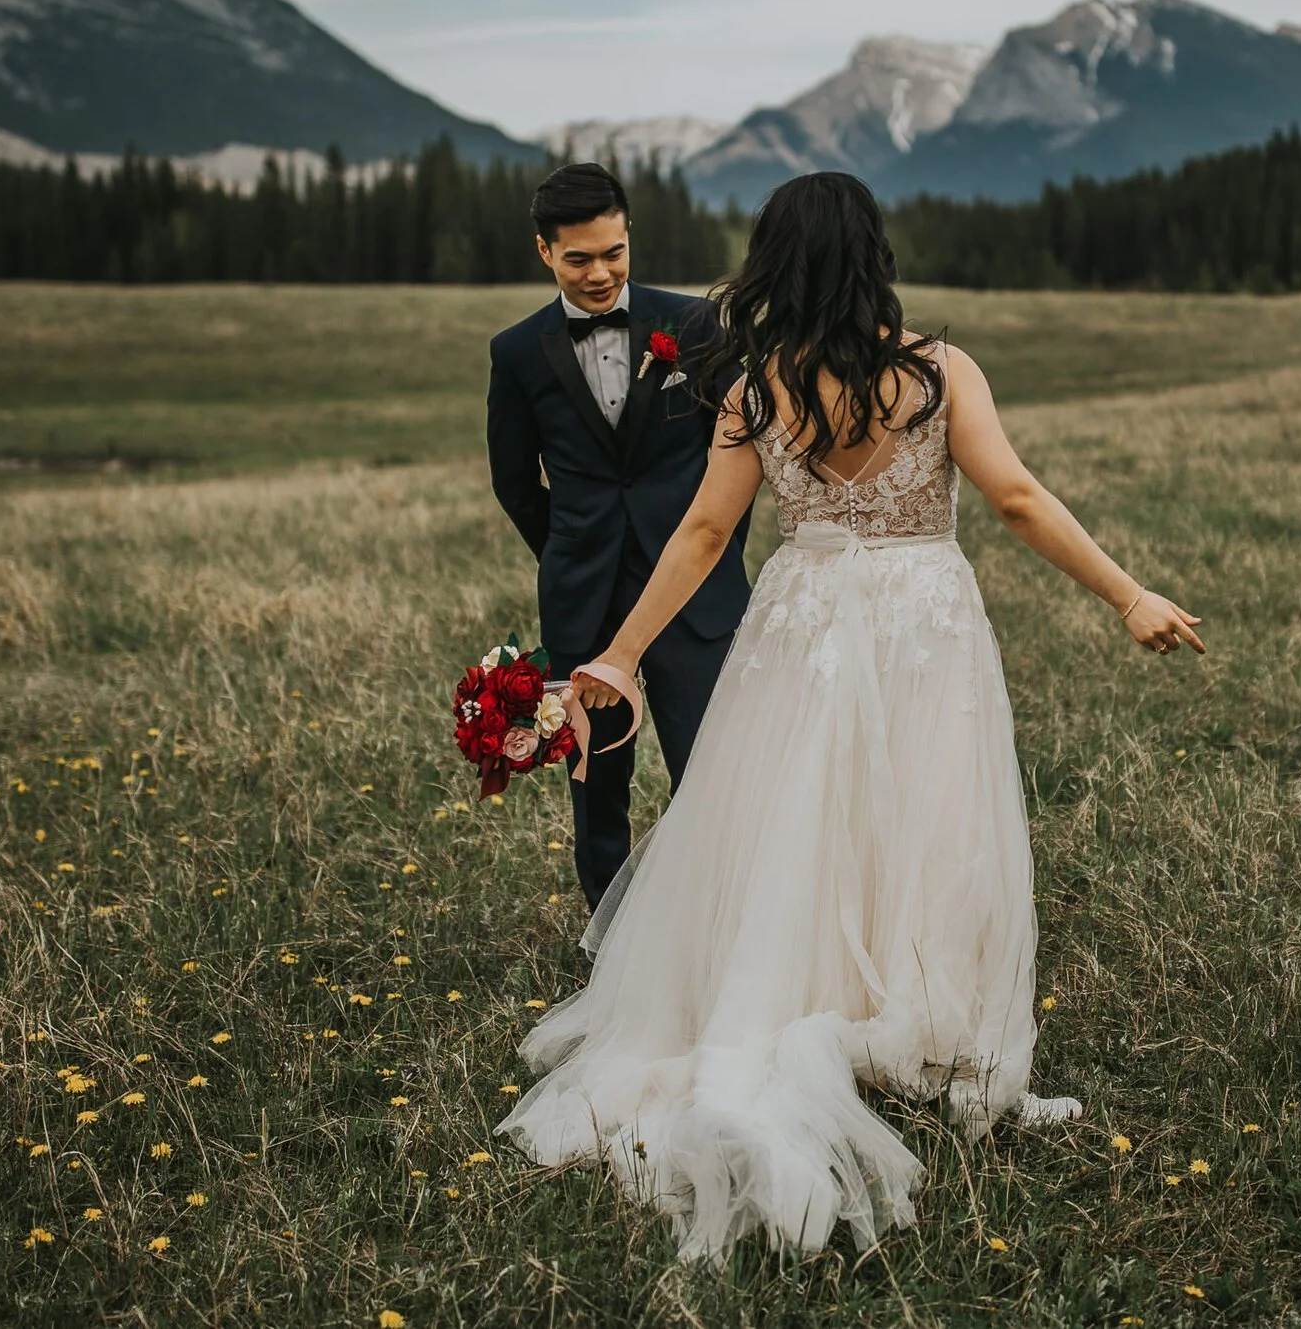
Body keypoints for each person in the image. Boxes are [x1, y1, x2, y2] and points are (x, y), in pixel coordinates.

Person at [497, 170, 1206, 1261]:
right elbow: (1014, 498)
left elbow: (697, 536)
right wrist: (1127, 593)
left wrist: (617, 653)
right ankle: (920, 1021)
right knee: (927, 813)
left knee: (796, 814)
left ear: (773, 263)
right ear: (874, 253)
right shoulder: (937, 369)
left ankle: (801, 998)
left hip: (804, 617)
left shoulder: (753, 387)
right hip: (923, 618)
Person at [485, 162, 752, 909]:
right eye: (578, 258)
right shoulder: (515, 352)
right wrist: (570, 553)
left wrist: (712, 557)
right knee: (598, 784)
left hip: (693, 598)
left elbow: (739, 460)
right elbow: (514, 482)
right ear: (545, 252)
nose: (600, 273)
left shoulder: (696, 325)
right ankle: (609, 933)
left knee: (710, 765)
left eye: (614, 252)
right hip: (586, 602)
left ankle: (724, 916)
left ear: (629, 235)